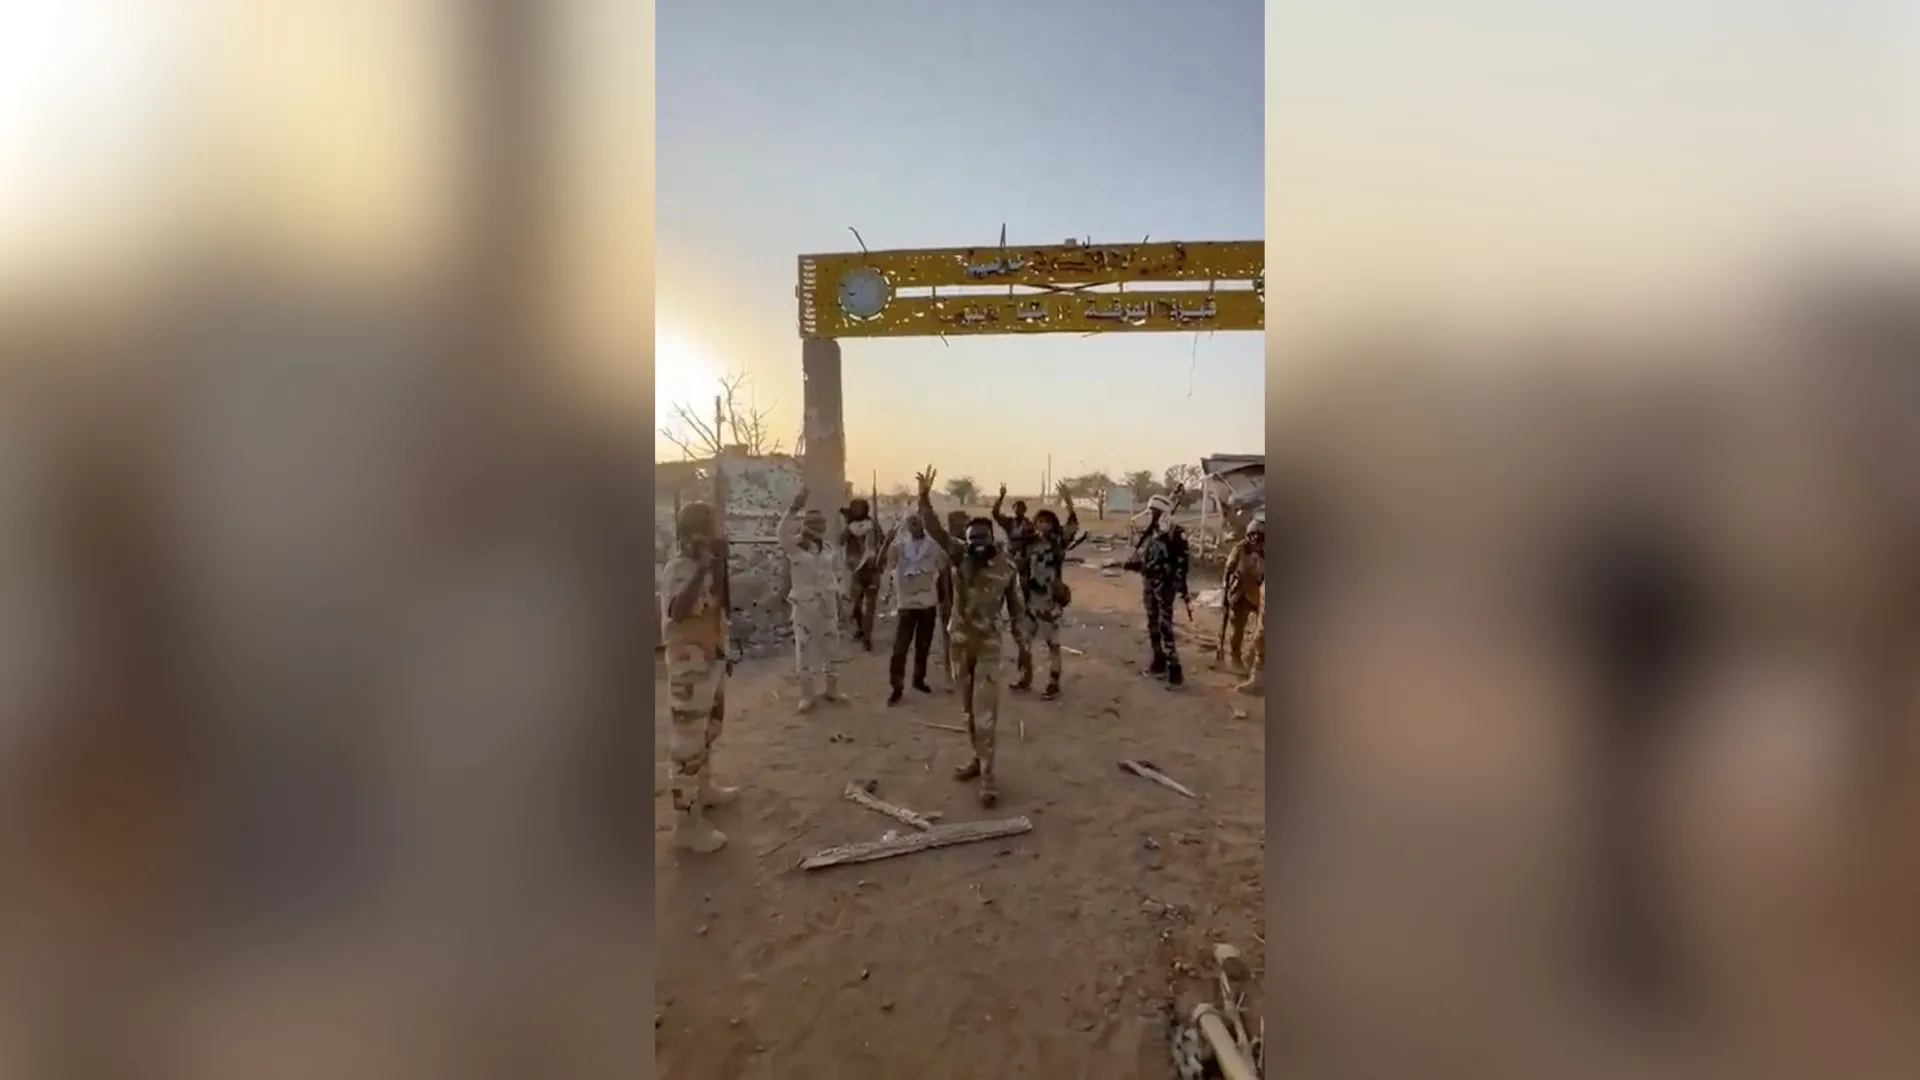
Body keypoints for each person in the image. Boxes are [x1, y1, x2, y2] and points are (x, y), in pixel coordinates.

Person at [918, 465, 1027, 807]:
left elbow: (1018, 611)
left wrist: (1024, 648)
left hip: (989, 646)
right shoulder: (958, 555)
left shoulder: (1007, 568)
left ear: (991, 538)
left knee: (985, 714)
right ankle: (977, 760)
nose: (976, 544)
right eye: (971, 539)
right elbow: (934, 529)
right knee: (967, 710)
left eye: (982, 538)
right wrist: (924, 498)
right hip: (960, 645)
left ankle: (989, 779)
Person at [659, 501, 736, 853]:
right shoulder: (679, 568)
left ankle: (704, 790)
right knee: (687, 747)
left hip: (711, 660)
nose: (720, 534)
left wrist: (719, 564)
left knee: (709, 732)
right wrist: (703, 566)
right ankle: (686, 824)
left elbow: (721, 605)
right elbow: (678, 611)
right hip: (689, 669)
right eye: (714, 529)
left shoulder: (707, 566)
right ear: (696, 534)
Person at [1011, 482, 1083, 699]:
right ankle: (1025, 678)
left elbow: (1073, 527)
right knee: (1025, 642)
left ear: (1053, 525)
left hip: (1049, 600)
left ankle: (1053, 682)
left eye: (1047, 522)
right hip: (1030, 600)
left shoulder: (1057, 543)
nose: (1043, 525)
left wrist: (1069, 504)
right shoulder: (1028, 543)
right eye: (1040, 521)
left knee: (1052, 644)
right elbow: (1016, 559)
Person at [777, 487, 843, 713]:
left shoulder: (828, 549)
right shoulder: (795, 547)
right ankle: (807, 696)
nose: (821, 529)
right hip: (805, 607)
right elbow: (781, 532)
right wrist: (793, 508)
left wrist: (838, 597)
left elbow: (834, 574)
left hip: (827, 606)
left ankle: (832, 689)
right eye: (817, 525)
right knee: (805, 651)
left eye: (823, 525)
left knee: (831, 649)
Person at [1125, 492, 1192, 687]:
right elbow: (1146, 555)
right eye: (1150, 510)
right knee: (1152, 623)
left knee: (1165, 626)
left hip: (1165, 586)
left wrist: (1180, 586)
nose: (1151, 514)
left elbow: (1182, 562)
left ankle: (1175, 669)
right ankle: (1158, 660)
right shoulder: (1151, 531)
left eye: (1154, 511)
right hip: (1149, 582)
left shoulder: (1174, 532)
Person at [884, 511, 947, 704]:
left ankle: (919, 679)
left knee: (923, 645)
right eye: (911, 523)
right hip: (906, 603)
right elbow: (885, 564)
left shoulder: (933, 546)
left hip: (927, 602)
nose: (915, 526)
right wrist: (887, 541)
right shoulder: (898, 546)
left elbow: (943, 569)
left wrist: (943, 596)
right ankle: (896, 686)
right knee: (900, 648)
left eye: (917, 523)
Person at [1222, 515, 1267, 675]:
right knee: (1237, 630)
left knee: (1260, 631)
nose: (1255, 539)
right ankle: (1234, 657)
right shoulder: (1240, 549)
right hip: (1240, 593)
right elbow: (1228, 571)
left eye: (1259, 536)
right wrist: (1226, 593)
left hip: (1258, 594)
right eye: (1253, 534)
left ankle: (1251, 657)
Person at [840, 497, 884, 650]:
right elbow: (841, 540)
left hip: (871, 570)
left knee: (870, 606)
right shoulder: (850, 527)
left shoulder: (873, 525)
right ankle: (861, 629)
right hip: (856, 571)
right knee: (856, 605)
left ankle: (867, 637)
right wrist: (848, 526)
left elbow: (882, 542)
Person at [933, 508, 970, 686]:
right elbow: (940, 576)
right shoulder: (946, 547)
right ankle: (951, 673)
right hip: (949, 599)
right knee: (950, 639)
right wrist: (944, 600)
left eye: (963, 524)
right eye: (957, 524)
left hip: (968, 602)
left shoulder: (969, 547)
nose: (960, 528)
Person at [990, 483, 1038, 563]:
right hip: (1011, 553)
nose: (1019, 509)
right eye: (1017, 507)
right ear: (1013, 509)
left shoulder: (1028, 523)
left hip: (1025, 554)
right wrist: (1001, 497)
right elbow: (995, 513)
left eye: (1021, 507)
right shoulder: (1009, 522)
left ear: (1025, 509)